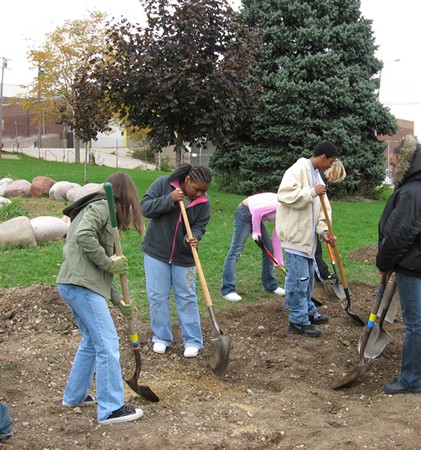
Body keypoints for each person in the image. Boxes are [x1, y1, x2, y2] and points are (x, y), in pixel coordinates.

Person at [56, 172, 144, 425]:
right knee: (107, 342)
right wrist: (108, 262)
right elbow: (84, 235)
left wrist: (118, 301)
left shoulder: (105, 211)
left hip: (76, 284)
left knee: (93, 342)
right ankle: (111, 409)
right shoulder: (102, 206)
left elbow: (100, 273)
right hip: (79, 286)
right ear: (126, 195)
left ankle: (74, 396)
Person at [376, 135, 421, 394]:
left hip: (411, 263)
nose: (390, 170)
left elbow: (400, 234)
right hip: (416, 260)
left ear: (406, 165)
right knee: (420, 320)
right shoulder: (416, 188)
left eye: (393, 165)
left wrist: (384, 261)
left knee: (414, 322)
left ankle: (411, 379)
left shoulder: (412, 192)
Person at [141, 164, 212, 356]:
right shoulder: (164, 184)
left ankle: (193, 340)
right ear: (187, 180)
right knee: (157, 296)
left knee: (187, 297)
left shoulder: (203, 202)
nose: (200, 194)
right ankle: (162, 337)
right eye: (197, 189)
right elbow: (145, 208)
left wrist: (193, 238)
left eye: (204, 191)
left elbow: (200, 226)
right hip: (157, 251)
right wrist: (169, 199)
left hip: (184, 256)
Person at [276, 140, 337, 337]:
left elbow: (321, 209)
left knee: (308, 279)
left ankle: (308, 312)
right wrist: (311, 192)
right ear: (323, 157)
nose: (330, 166)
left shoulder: (317, 175)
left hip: (309, 240)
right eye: (331, 161)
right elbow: (284, 195)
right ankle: (297, 321)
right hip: (296, 237)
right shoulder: (298, 169)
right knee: (298, 280)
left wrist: (324, 231)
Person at [221, 192, 285, 302]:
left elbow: (277, 235)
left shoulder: (287, 214)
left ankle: (270, 285)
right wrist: (256, 233)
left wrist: (278, 261)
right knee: (236, 250)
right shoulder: (282, 205)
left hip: (255, 216)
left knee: (268, 248)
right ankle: (227, 290)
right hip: (245, 211)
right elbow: (257, 211)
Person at [314, 160, 347, 283]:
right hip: (313, 220)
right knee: (315, 249)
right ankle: (320, 273)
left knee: (317, 247)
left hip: (318, 221)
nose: (334, 180)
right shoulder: (320, 179)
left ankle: (321, 272)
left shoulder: (322, 179)